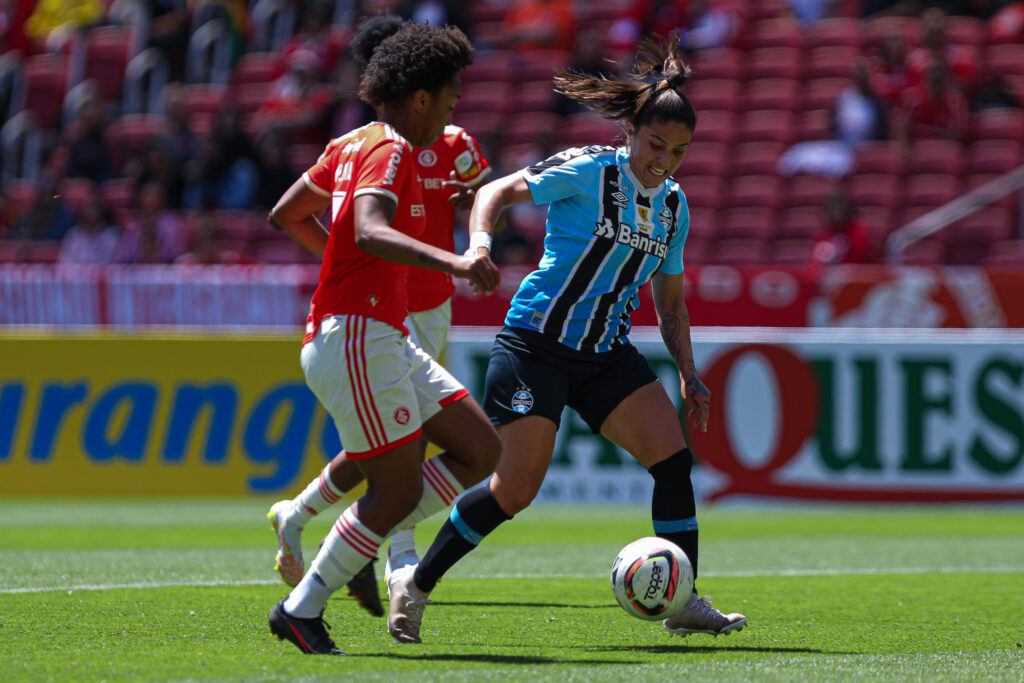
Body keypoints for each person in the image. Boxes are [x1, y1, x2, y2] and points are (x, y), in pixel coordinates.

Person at [385, 34, 747, 646]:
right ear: (631, 132)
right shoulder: (588, 169)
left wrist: (687, 372)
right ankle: (414, 586)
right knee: (515, 490)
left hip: (605, 354)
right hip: (534, 346)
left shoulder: (674, 209)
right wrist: (478, 245)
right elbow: (495, 191)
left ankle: (682, 599)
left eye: (678, 151)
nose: (664, 160)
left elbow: (672, 302)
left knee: (673, 461)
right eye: (655, 144)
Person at [264, 21, 501, 656]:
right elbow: (369, 230)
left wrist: (345, 265)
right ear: (420, 97)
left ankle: (345, 542)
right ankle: (301, 607)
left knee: (480, 448)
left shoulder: (352, 143)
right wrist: (451, 262)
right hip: (356, 334)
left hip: (382, 333)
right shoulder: (391, 148)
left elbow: (286, 214)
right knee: (393, 491)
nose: (451, 114)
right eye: (449, 100)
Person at [811, 185, 876, 265]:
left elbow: (856, 262)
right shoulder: (823, 235)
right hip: (831, 276)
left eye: (838, 209)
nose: (835, 213)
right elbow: (814, 265)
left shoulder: (858, 232)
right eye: (831, 209)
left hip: (858, 276)